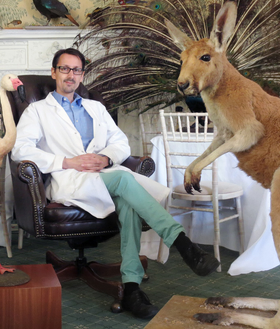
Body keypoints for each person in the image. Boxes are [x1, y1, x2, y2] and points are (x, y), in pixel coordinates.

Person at [11, 48, 219, 319]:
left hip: (105, 176)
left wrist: (106, 157)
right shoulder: (37, 111)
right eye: (65, 69)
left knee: (128, 202)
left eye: (76, 70)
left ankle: (131, 289)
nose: (70, 75)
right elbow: (20, 151)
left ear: (83, 75)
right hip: (69, 180)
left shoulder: (95, 108)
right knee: (123, 178)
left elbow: (120, 142)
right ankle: (182, 244)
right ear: (54, 72)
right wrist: (67, 162)